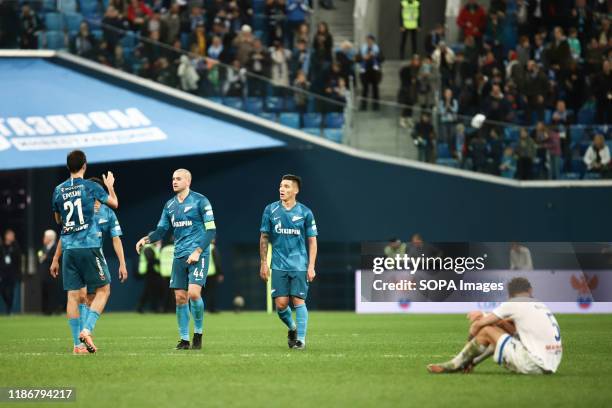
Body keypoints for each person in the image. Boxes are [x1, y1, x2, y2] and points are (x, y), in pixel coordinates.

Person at [135, 169, 216, 350]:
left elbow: (211, 230)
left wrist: (197, 251)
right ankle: (184, 339)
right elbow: (162, 230)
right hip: (179, 255)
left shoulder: (201, 201)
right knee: (180, 298)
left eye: (178, 178)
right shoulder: (169, 205)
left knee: (194, 294)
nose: (174, 181)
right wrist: (146, 239)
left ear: (188, 181)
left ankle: (199, 333)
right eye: (172, 179)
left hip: (198, 254)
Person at [50, 150, 118, 354]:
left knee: (72, 296)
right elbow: (114, 204)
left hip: (69, 248)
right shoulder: (91, 186)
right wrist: (111, 187)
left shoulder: (58, 190)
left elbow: (57, 220)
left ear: (67, 166)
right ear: (85, 165)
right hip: (88, 245)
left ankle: (77, 346)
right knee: (104, 289)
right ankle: (87, 330)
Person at [427, 277, 562, 374]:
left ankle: (456, 364)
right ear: (530, 290)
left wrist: (470, 342)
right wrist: (494, 320)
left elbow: (478, 326)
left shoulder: (514, 303)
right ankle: (470, 363)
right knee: (499, 331)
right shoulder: (540, 305)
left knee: (486, 330)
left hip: (532, 363)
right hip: (551, 364)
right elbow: (512, 331)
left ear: (510, 295)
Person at [259, 174, 318, 349]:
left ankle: (301, 340)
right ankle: (292, 328)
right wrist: (263, 262)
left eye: (286, 186)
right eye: (280, 186)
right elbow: (264, 237)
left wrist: (311, 266)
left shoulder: (305, 212)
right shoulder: (270, 210)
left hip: (299, 264)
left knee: (298, 300)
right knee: (281, 304)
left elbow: (312, 241)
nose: (282, 189)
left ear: (296, 190)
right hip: (278, 265)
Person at [37, 230, 59, 315]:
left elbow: (58, 259)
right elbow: (39, 256)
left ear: (50, 238)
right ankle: (45, 310)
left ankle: (53, 310)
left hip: (53, 275)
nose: (43, 239)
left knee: (52, 293)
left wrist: (46, 258)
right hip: (43, 275)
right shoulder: (43, 248)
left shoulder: (56, 247)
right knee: (44, 292)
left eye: (45, 237)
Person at [358, 35, 383, 111]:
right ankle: (363, 105)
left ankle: (376, 105)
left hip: (375, 71)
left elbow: (382, 59)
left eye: (370, 40)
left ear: (373, 41)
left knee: (375, 88)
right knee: (365, 89)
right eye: (367, 40)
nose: (369, 42)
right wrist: (363, 57)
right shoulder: (362, 49)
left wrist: (374, 55)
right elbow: (357, 58)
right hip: (364, 71)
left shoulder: (377, 49)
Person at [0, 229, 22, 315]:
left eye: (13, 236)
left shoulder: (16, 247)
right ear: (6, 236)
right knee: (3, 291)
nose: (12, 237)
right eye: (10, 235)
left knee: (11, 292)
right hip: (3, 274)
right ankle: (7, 307)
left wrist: (18, 274)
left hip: (12, 274)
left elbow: (18, 262)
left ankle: (9, 310)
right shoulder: (1, 247)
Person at [204, 238, 223, 313]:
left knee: (202, 292)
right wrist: (220, 273)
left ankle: (202, 309)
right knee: (211, 292)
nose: (214, 239)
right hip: (211, 273)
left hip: (202, 273)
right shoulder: (212, 248)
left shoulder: (201, 248)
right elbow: (217, 262)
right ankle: (212, 309)